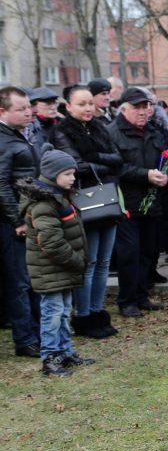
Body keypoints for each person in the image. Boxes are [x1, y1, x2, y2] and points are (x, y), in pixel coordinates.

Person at [51, 85, 123, 339]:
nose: (88, 108)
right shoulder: (62, 132)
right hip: (83, 202)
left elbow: (117, 158)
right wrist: (100, 162)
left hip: (108, 199)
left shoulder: (100, 127)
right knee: (90, 262)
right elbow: (74, 165)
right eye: (81, 104)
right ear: (68, 106)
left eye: (90, 103)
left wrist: (94, 159)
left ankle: (96, 310)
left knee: (103, 261)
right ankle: (83, 315)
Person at [18, 149, 95, 377]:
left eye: (73, 173)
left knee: (62, 313)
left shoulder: (59, 196)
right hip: (52, 269)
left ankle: (65, 351)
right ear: (53, 175)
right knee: (52, 313)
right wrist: (76, 261)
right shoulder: (44, 204)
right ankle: (50, 357)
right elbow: (51, 243)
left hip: (62, 270)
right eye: (68, 174)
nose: (73, 178)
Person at [108, 88, 168, 317]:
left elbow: (167, 159)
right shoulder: (113, 133)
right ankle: (127, 300)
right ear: (123, 109)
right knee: (129, 254)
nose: (143, 112)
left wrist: (166, 175)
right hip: (127, 204)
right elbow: (117, 167)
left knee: (148, 252)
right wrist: (145, 175)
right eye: (137, 107)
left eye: (146, 106)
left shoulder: (155, 130)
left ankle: (142, 296)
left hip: (152, 202)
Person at [0, 86, 42, 357]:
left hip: (30, 214)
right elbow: (2, 185)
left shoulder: (19, 136)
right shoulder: (3, 141)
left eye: (28, 107)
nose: (29, 112)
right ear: (3, 112)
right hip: (12, 222)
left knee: (31, 279)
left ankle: (35, 333)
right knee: (20, 281)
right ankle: (25, 339)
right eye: (21, 109)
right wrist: (17, 219)